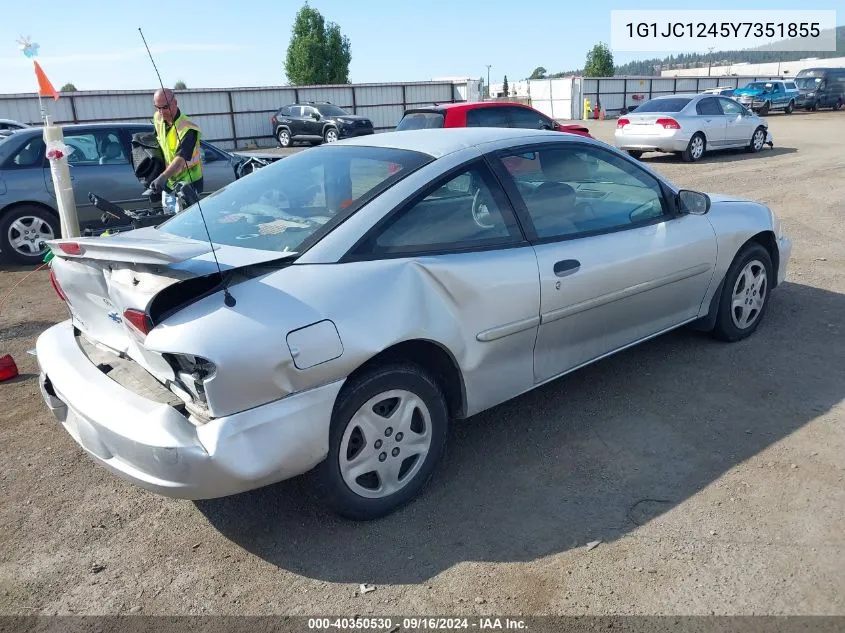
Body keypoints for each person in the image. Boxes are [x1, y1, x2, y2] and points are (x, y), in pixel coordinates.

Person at [149, 88, 203, 212]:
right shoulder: (157, 118)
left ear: (175, 102)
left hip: (189, 185)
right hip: (169, 182)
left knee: (187, 223)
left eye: (165, 107)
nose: (162, 111)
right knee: (168, 222)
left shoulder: (188, 128)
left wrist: (162, 177)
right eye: (158, 107)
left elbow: (180, 159)